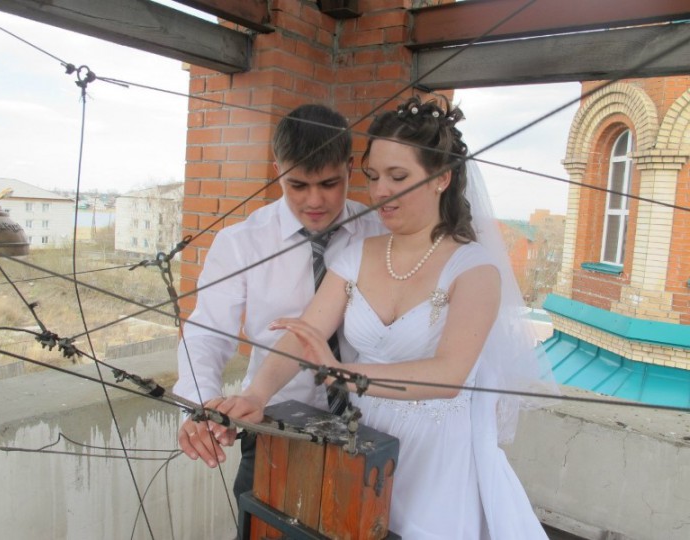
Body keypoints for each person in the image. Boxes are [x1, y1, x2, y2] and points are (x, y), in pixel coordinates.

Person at [219, 96, 555, 539]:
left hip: (436, 459)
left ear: (441, 178)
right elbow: (306, 334)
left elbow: (450, 373)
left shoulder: (475, 269)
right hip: (364, 444)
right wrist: (257, 394)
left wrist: (342, 374)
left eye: (398, 177)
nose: (379, 192)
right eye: (373, 176)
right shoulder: (357, 254)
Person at [174, 104, 387, 503]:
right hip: (273, 424)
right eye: (298, 185)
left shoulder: (380, 233)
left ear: (350, 167)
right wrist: (201, 406)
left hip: (373, 428)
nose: (314, 200)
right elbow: (207, 334)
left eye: (329, 183)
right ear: (277, 171)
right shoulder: (241, 242)